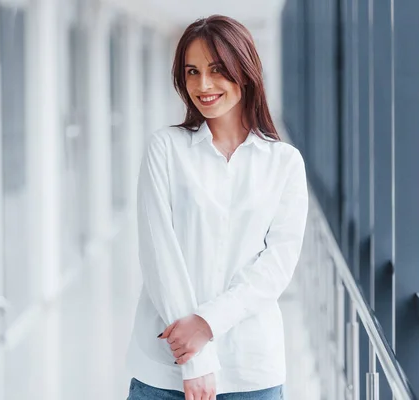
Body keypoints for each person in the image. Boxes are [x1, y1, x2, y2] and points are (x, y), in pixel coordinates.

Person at [125, 14, 309, 400]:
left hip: (251, 370)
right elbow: (160, 256)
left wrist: (207, 323)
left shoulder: (284, 162)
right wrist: (196, 359)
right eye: (192, 71)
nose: (203, 85)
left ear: (244, 71)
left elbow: (276, 267)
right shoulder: (166, 149)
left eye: (217, 69)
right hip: (165, 371)